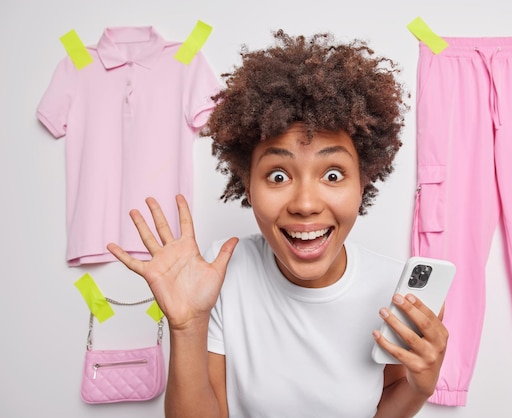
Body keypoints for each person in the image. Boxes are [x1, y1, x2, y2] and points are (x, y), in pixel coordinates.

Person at [107, 30, 448, 418]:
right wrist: (187, 327)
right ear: (247, 184)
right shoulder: (219, 276)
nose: (305, 205)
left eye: (333, 175)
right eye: (278, 176)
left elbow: (383, 406)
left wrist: (421, 387)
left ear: (363, 181)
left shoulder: (393, 290)